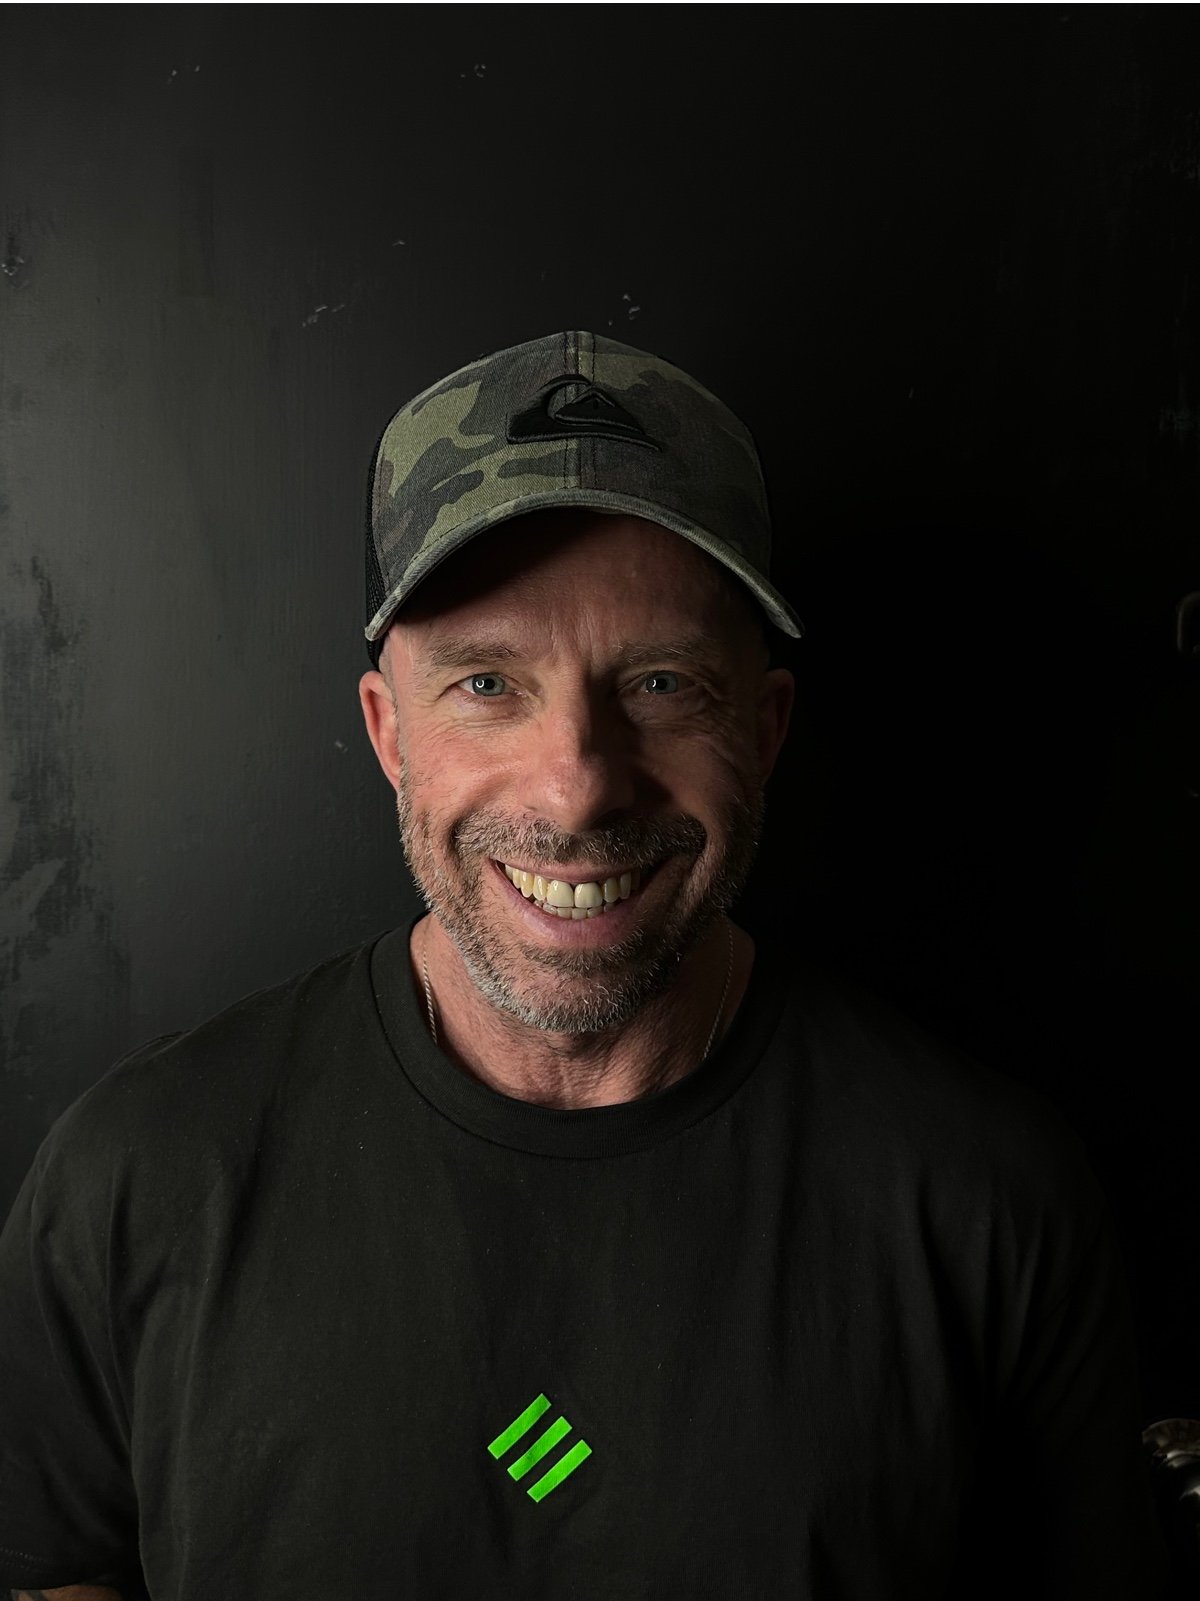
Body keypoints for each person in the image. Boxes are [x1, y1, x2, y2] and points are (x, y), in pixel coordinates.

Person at [0, 332, 1172, 1599]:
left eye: (663, 682)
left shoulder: (984, 1204)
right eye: (490, 682)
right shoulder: (140, 1174)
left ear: (764, 728)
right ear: (390, 733)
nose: (578, 785)